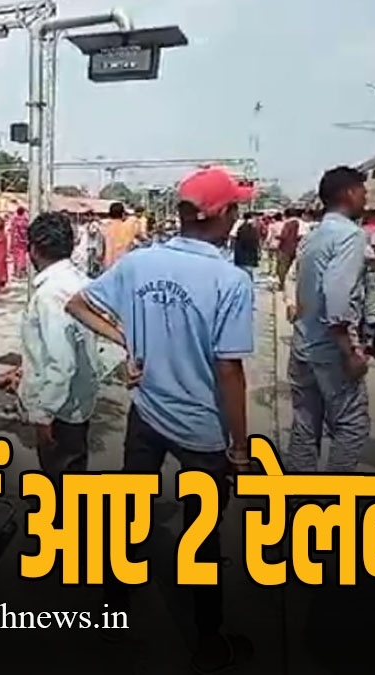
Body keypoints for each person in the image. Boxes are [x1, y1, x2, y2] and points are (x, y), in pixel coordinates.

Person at [66, 166, 255, 673]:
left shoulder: (140, 262)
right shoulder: (231, 280)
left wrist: (127, 339)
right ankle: (208, 642)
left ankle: (111, 610)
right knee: (202, 539)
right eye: (235, 208)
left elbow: (78, 304)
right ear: (222, 215)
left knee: (130, 514)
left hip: (147, 413)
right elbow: (229, 369)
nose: (237, 216)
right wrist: (240, 447)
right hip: (203, 431)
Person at [285, 166, 371, 474]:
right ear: (349, 193)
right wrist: (350, 352)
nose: (366, 198)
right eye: (363, 191)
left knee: (305, 424)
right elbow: (337, 297)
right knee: (351, 425)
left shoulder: (314, 235)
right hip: (331, 350)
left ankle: (299, 493)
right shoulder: (350, 236)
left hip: (303, 345)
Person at [18, 211, 99, 478]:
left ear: (34, 249)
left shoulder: (50, 294)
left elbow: (62, 364)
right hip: (78, 400)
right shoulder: (80, 280)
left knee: (59, 478)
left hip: (60, 410)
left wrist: (43, 415)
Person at [101, 202, 135, 270]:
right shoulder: (128, 227)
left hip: (109, 263)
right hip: (123, 263)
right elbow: (130, 244)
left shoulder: (105, 227)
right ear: (122, 214)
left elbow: (102, 246)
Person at [276, 209, 302, 289]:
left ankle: (282, 284)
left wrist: (278, 237)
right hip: (297, 248)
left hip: (285, 248)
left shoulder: (288, 224)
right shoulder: (301, 223)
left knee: (282, 267)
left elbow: (284, 235)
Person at [232, 214, 261, 278]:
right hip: (250, 249)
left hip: (241, 248)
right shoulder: (254, 226)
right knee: (249, 268)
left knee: (242, 267)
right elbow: (257, 238)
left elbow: (233, 235)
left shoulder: (239, 224)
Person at [10, 205, 29, 279]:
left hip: (16, 240)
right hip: (23, 241)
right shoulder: (26, 220)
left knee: (16, 256)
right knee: (22, 256)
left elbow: (12, 231)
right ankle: (22, 271)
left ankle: (16, 271)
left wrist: (11, 243)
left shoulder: (14, 219)